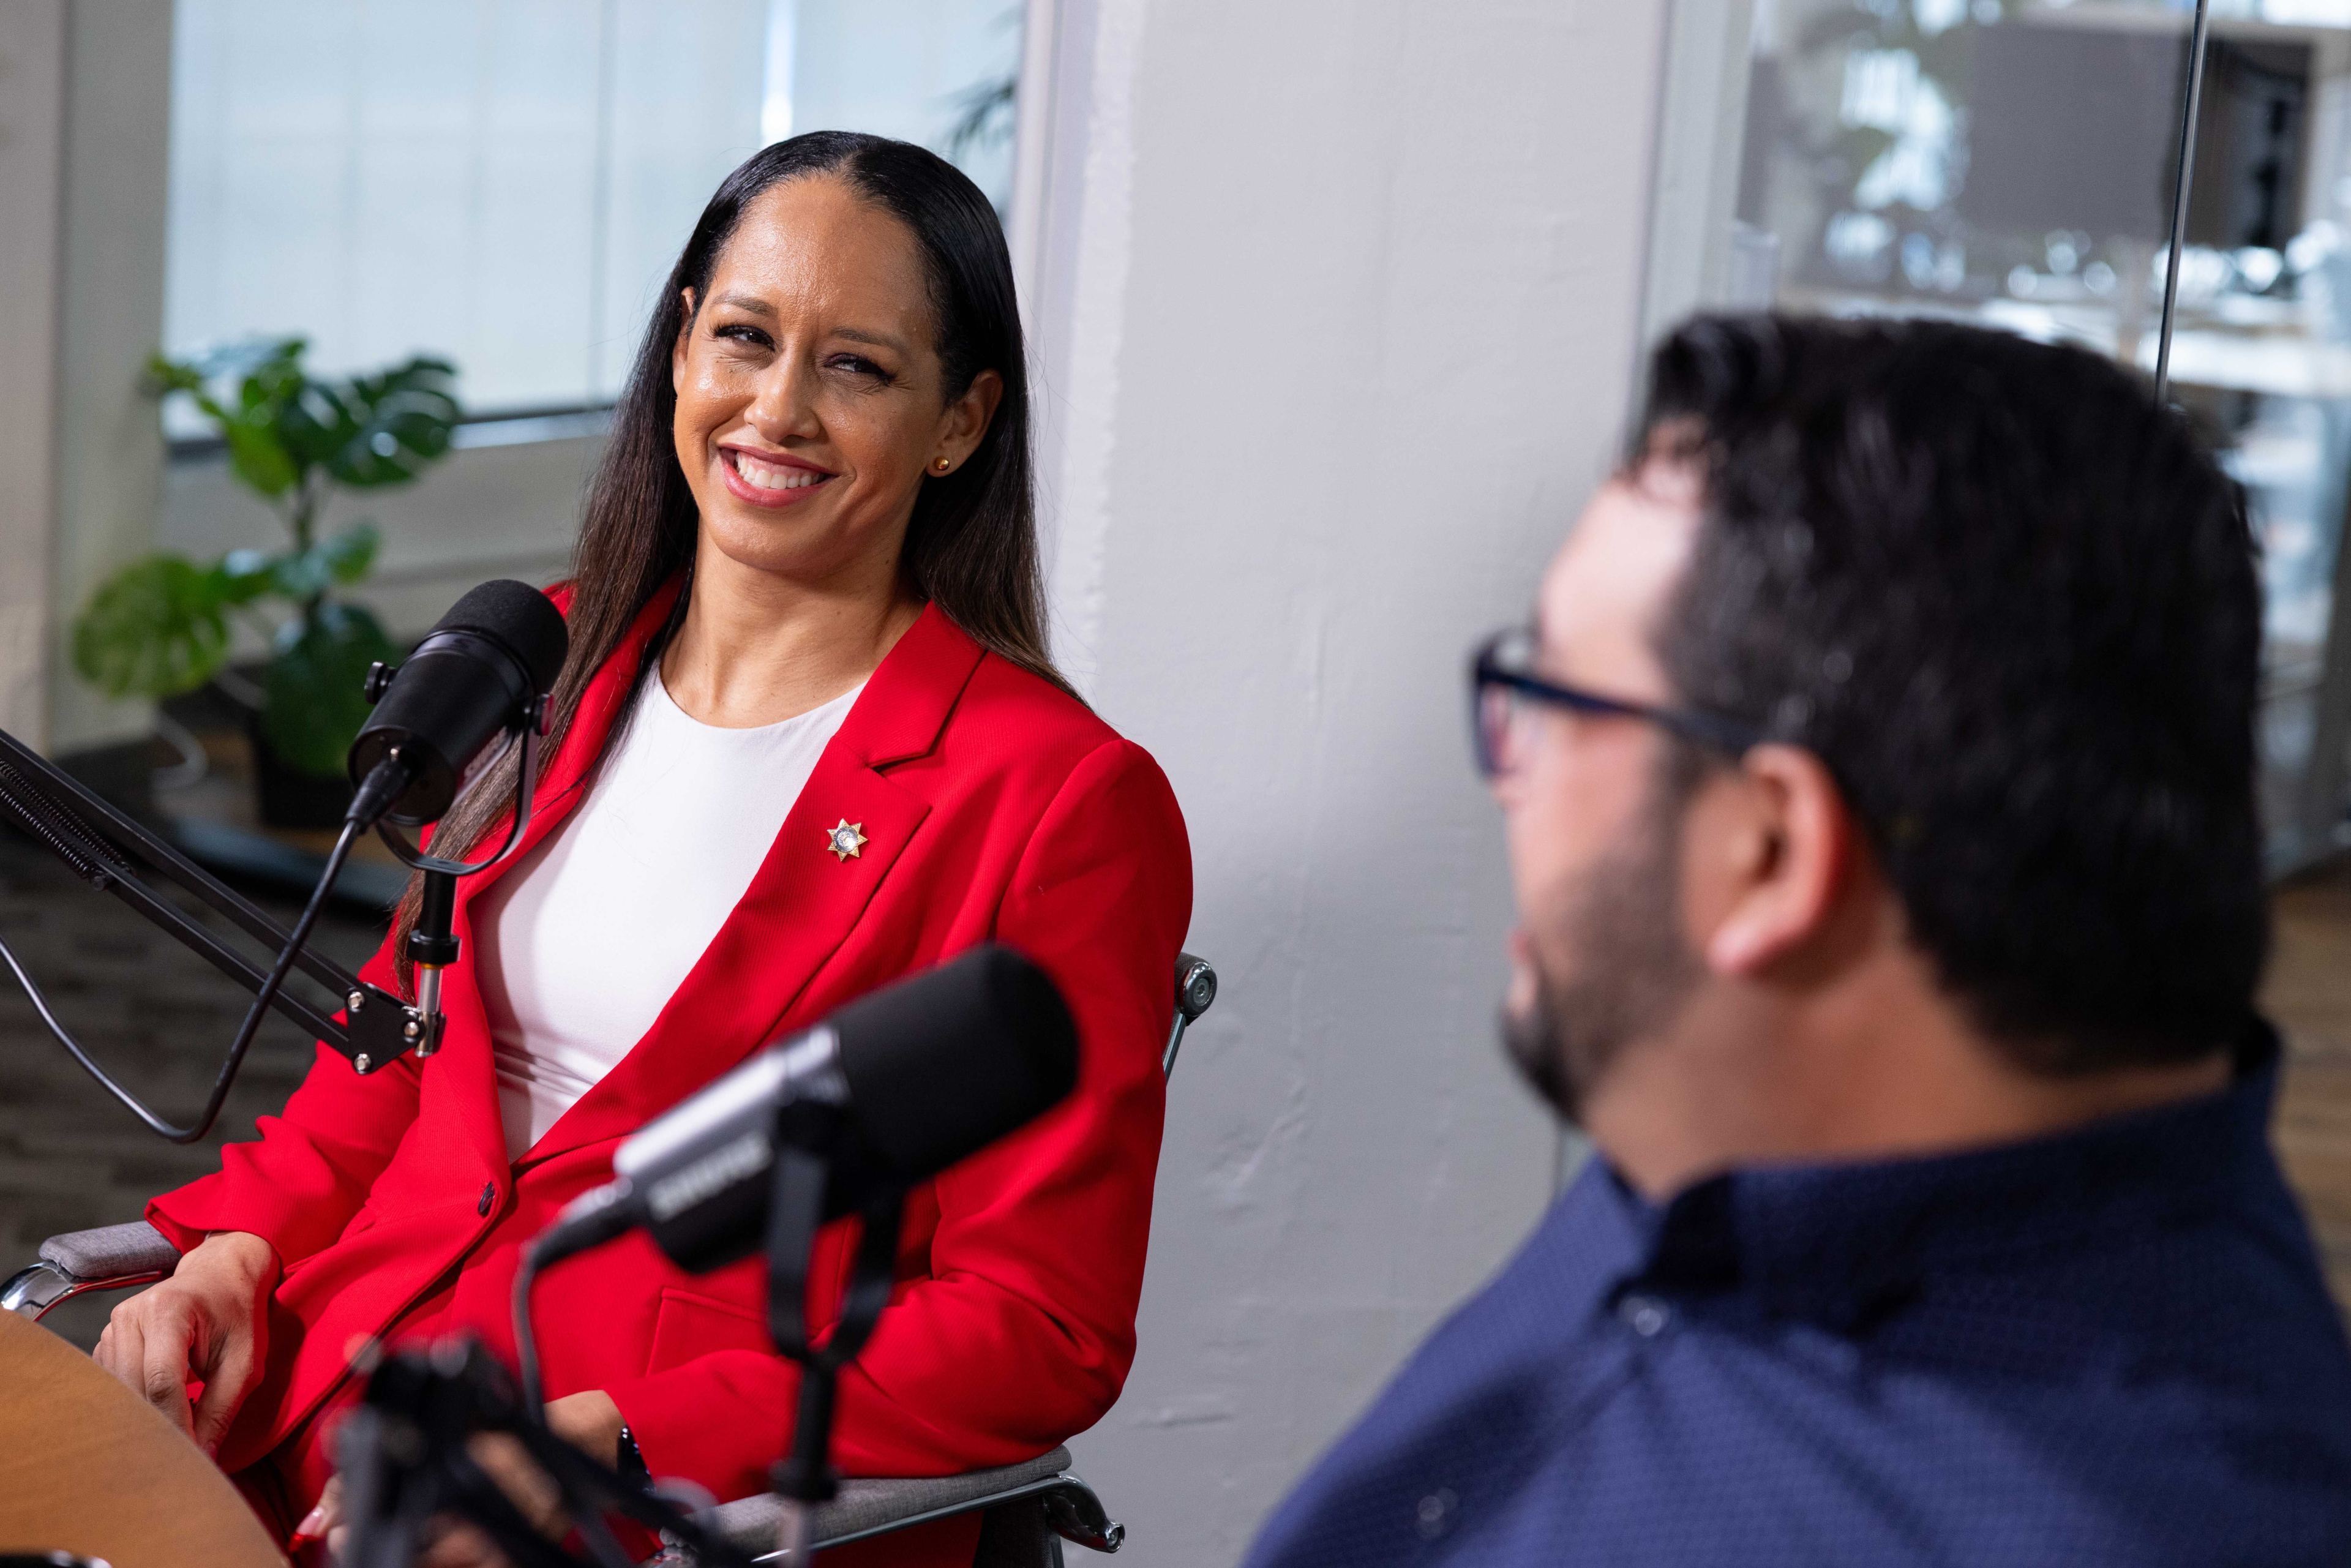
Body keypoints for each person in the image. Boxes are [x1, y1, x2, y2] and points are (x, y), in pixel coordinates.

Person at [92, 131, 1191, 1567]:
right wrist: (236, 1253)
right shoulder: (549, 665)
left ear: (960, 423)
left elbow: (1036, 1326)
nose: (777, 408)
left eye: (855, 367)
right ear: (683, 350)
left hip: (659, 1507)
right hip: (330, 1399)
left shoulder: (1060, 801)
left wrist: (615, 1438)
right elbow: (394, 1055)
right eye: (745, 336)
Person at [1244, 315, 2351, 1566]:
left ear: (1769, 851)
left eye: (1546, 703)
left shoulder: (2102, 1523)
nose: (1509, 779)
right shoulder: (1724, 1153)